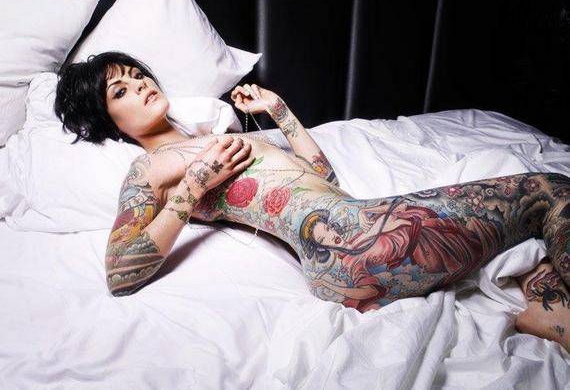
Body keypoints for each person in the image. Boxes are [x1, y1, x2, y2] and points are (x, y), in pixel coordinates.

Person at [55, 52, 570, 352]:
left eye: (136, 74)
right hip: (355, 243)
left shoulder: (213, 137)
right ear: (110, 122)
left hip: (355, 230)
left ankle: (550, 313)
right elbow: (120, 272)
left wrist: (280, 113)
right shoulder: (150, 168)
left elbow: (323, 180)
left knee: (525, 235)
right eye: (119, 91)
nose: (139, 84)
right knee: (550, 191)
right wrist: (193, 186)